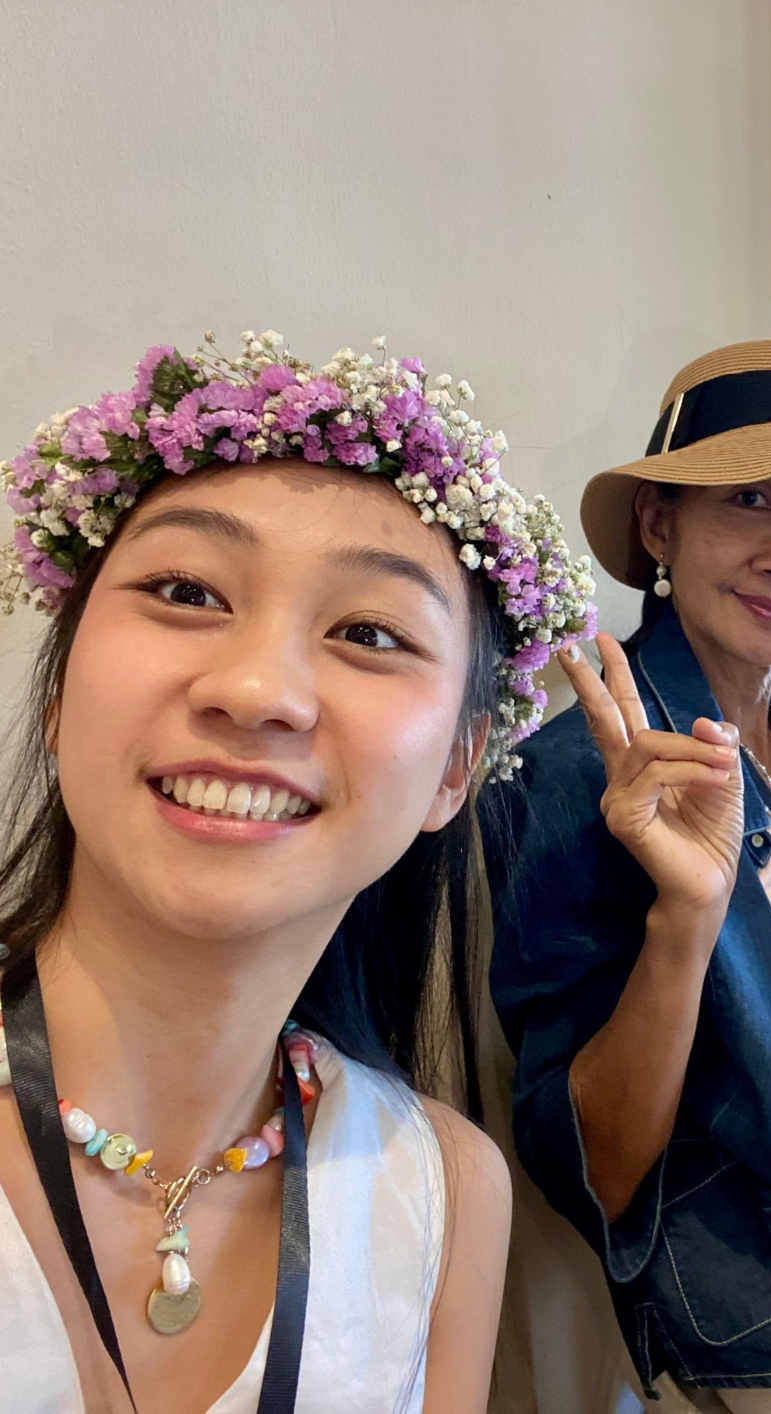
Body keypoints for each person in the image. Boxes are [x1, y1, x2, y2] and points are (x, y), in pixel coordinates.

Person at [0, 331, 594, 1411]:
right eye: (185, 590)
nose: (259, 689)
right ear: (58, 696)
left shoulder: (447, 1193)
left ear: (454, 774)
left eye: (368, 630)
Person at [486, 340, 771, 1411]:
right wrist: (686, 918)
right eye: (750, 499)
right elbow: (599, 1172)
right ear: (659, 524)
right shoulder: (574, 778)